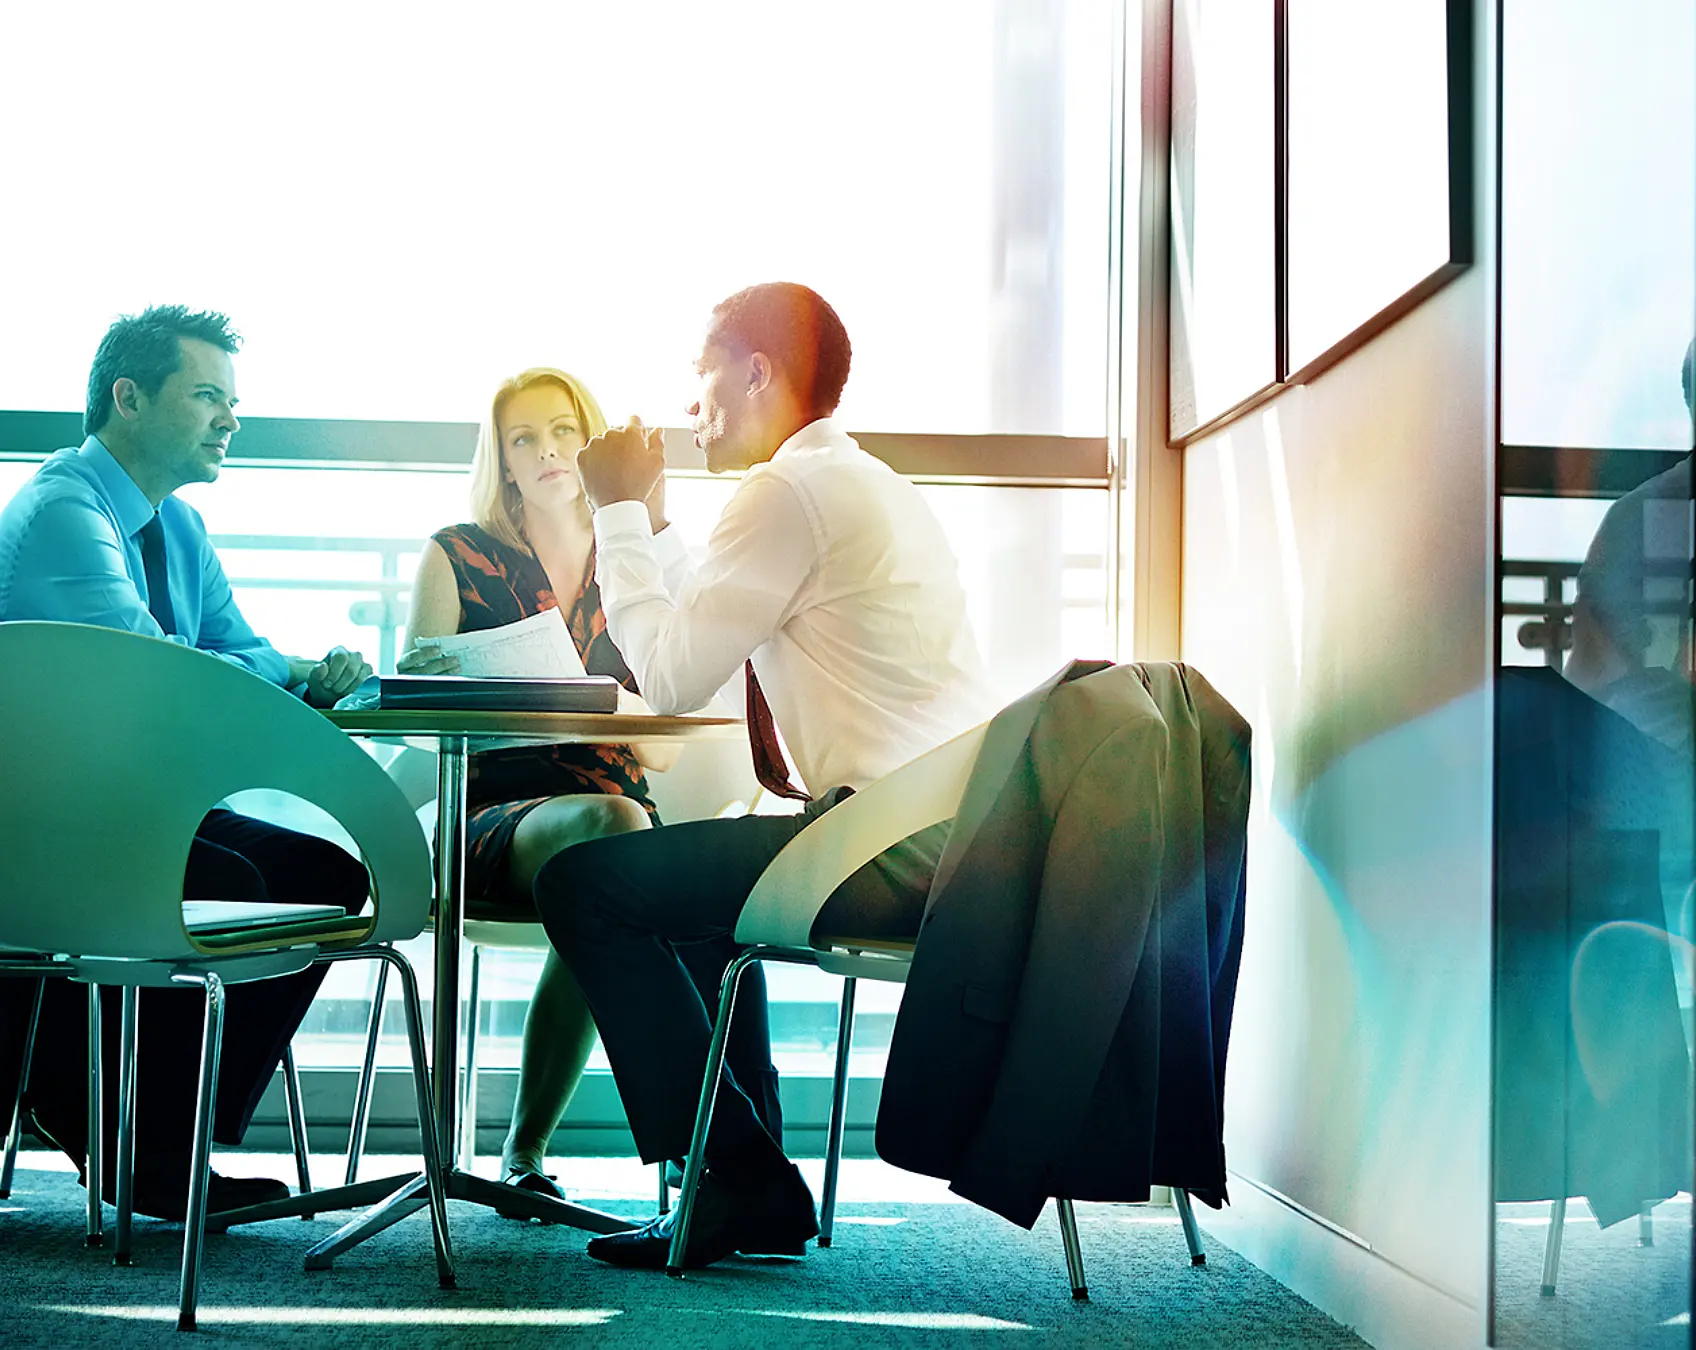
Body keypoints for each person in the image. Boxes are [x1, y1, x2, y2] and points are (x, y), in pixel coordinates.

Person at [534, 282, 1000, 1270]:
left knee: (583, 887)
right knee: (699, 905)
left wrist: (616, 511)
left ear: (756, 372)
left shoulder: (787, 493)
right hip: (948, 839)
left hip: (883, 846)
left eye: (702, 370)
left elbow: (668, 674)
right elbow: (713, 629)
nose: (691, 400)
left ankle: (740, 1179)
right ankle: (741, 1183)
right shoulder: (855, 484)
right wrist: (652, 527)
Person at [0, 305, 376, 1218]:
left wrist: (297, 670)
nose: (230, 419)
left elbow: (234, 655)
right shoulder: (65, 512)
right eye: (208, 395)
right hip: (48, 824)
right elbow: (167, 676)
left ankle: (150, 1132)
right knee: (230, 884)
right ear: (127, 398)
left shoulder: (179, 528)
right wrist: (274, 670)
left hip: (140, 807)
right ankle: (125, 1135)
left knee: (325, 878)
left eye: (232, 401)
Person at [396, 365, 758, 1204]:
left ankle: (628, 1147)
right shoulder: (456, 554)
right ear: (503, 461)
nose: (547, 452)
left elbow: (664, 755)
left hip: (614, 806)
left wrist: (600, 706)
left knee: (615, 841)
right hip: (485, 811)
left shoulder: (631, 560)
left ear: (591, 445)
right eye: (524, 439)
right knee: (617, 844)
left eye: (564, 432)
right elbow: (419, 707)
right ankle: (652, 1142)